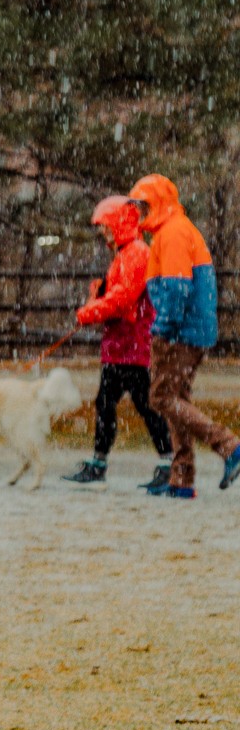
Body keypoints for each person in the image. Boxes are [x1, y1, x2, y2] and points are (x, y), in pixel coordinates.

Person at [130, 174, 240, 498]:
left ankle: (229, 445)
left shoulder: (173, 233)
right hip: (192, 330)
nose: (137, 212)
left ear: (156, 203)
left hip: (179, 333)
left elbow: (177, 288)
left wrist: (163, 328)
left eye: (142, 205)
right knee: (177, 399)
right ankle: (182, 479)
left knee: (161, 398)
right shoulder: (177, 229)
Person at [63, 196, 172, 486]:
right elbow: (118, 295)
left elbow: (123, 299)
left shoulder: (136, 253)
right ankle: (105, 462)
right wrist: (98, 295)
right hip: (123, 345)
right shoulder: (126, 253)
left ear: (119, 224)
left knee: (140, 404)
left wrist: (90, 311)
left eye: (106, 226)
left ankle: (165, 463)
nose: (103, 233)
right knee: (114, 403)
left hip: (132, 345)